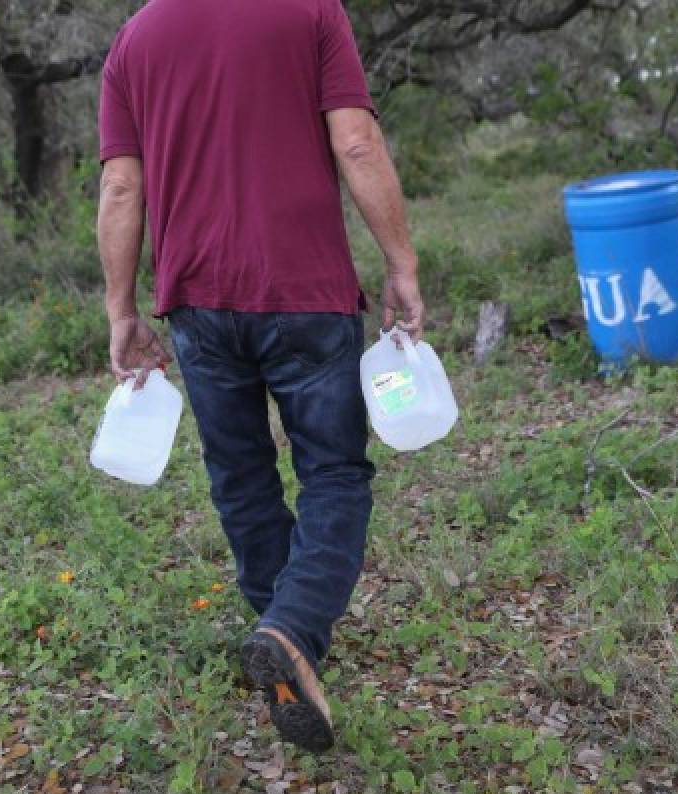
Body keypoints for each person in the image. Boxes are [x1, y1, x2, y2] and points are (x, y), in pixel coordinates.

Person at [96, 0, 423, 753]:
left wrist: (121, 310)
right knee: (335, 472)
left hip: (199, 302)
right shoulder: (310, 9)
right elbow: (358, 143)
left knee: (241, 479)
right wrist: (401, 262)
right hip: (306, 291)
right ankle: (290, 630)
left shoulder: (134, 40)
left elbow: (121, 187)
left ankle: (286, 645)